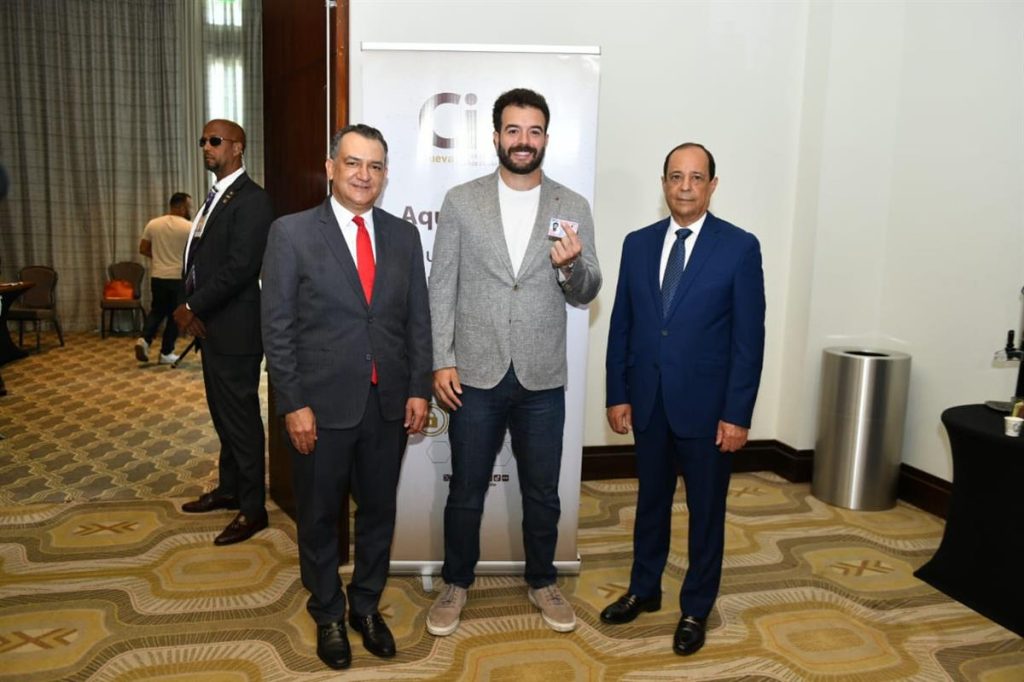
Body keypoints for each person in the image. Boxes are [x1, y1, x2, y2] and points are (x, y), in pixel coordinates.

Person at [427, 88, 601, 636]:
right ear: (496, 136)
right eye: (513, 130)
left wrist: (570, 268)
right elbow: (441, 286)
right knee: (466, 489)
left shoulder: (572, 205)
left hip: (542, 376)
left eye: (534, 131)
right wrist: (441, 360)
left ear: (546, 137)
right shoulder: (462, 201)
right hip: (474, 374)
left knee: (543, 491)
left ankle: (543, 580)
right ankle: (456, 582)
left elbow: (588, 290)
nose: (523, 141)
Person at [261, 124, 432, 671]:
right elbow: (277, 328)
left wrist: (418, 388)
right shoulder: (291, 233)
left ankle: (365, 605)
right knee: (318, 516)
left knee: (379, 512)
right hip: (320, 408)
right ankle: (329, 612)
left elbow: (418, 321)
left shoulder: (403, 237)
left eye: (375, 166)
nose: (364, 175)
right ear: (330, 167)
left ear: (386, 175)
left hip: (387, 406)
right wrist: (293, 403)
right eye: (353, 163)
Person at [601, 142, 765, 656]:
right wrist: (618, 393)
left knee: (705, 511)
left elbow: (749, 340)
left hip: (708, 412)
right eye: (676, 177)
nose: (686, 187)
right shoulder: (637, 244)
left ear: (712, 185)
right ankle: (644, 589)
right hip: (649, 402)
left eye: (696, 178)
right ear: (664, 184)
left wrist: (737, 414)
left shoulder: (739, 247)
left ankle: (696, 606)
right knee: (650, 502)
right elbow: (623, 324)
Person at [175, 119, 274, 547]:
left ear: (237, 148)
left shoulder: (252, 200)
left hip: (236, 329)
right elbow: (200, 260)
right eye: (203, 140)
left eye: (214, 141)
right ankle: (230, 488)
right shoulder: (215, 197)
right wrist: (194, 308)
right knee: (223, 415)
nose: (206, 147)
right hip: (214, 327)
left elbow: (240, 268)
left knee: (242, 420)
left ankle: (253, 508)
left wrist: (192, 306)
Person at [135, 192, 192, 364]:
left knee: (157, 310)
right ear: (181, 207)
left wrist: (160, 258)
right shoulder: (189, 227)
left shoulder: (153, 224)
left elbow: (143, 248)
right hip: (178, 277)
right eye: (189, 207)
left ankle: (144, 340)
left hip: (158, 276)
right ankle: (166, 352)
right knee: (175, 315)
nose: (190, 210)